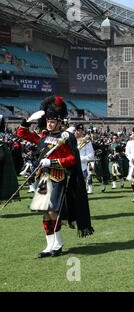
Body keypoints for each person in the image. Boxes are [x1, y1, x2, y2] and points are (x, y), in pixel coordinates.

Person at [16, 96, 94, 258]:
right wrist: (28, 121)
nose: (49, 124)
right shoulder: (43, 136)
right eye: (48, 121)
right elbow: (22, 133)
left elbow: (72, 159)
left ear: (59, 122)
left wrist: (51, 162)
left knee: (53, 212)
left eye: (53, 121)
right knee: (45, 212)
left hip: (58, 178)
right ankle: (49, 245)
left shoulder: (65, 138)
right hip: (43, 178)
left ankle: (57, 243)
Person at [73, 124, 95, 194]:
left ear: (83, 132)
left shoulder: (87, 142)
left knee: (81, 191)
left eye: (80, 131)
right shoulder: (71, 141)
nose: (78, 132)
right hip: (71, 168)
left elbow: (90, 156)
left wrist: (78, 158)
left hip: (82, 168)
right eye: (77, 130)